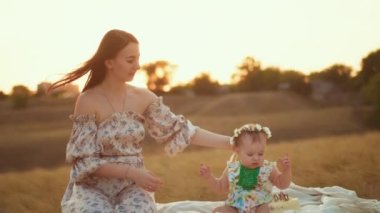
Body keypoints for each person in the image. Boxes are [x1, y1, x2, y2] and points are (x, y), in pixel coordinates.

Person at [49, 29, 231, 212]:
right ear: (109, 62)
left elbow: (182, 130)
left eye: (138, 59)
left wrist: (233, 142)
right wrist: (131, 172)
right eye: (130, 60)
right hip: (93, 186)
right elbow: (85, 162)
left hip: (132, 186)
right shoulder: (88, 100)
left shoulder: (143, 97)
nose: (137, 65)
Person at [199, 123, 292, 213]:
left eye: (261, 153)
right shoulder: (232, 169)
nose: (256, 158)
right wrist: (209, 177)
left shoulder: (268, 168)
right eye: (250, 154)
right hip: (235, 207)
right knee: (218, 211)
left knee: (266, 209)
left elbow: (282, 184)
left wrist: (286, 171)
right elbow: (220, 187)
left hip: (260, 205)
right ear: (238, 151)